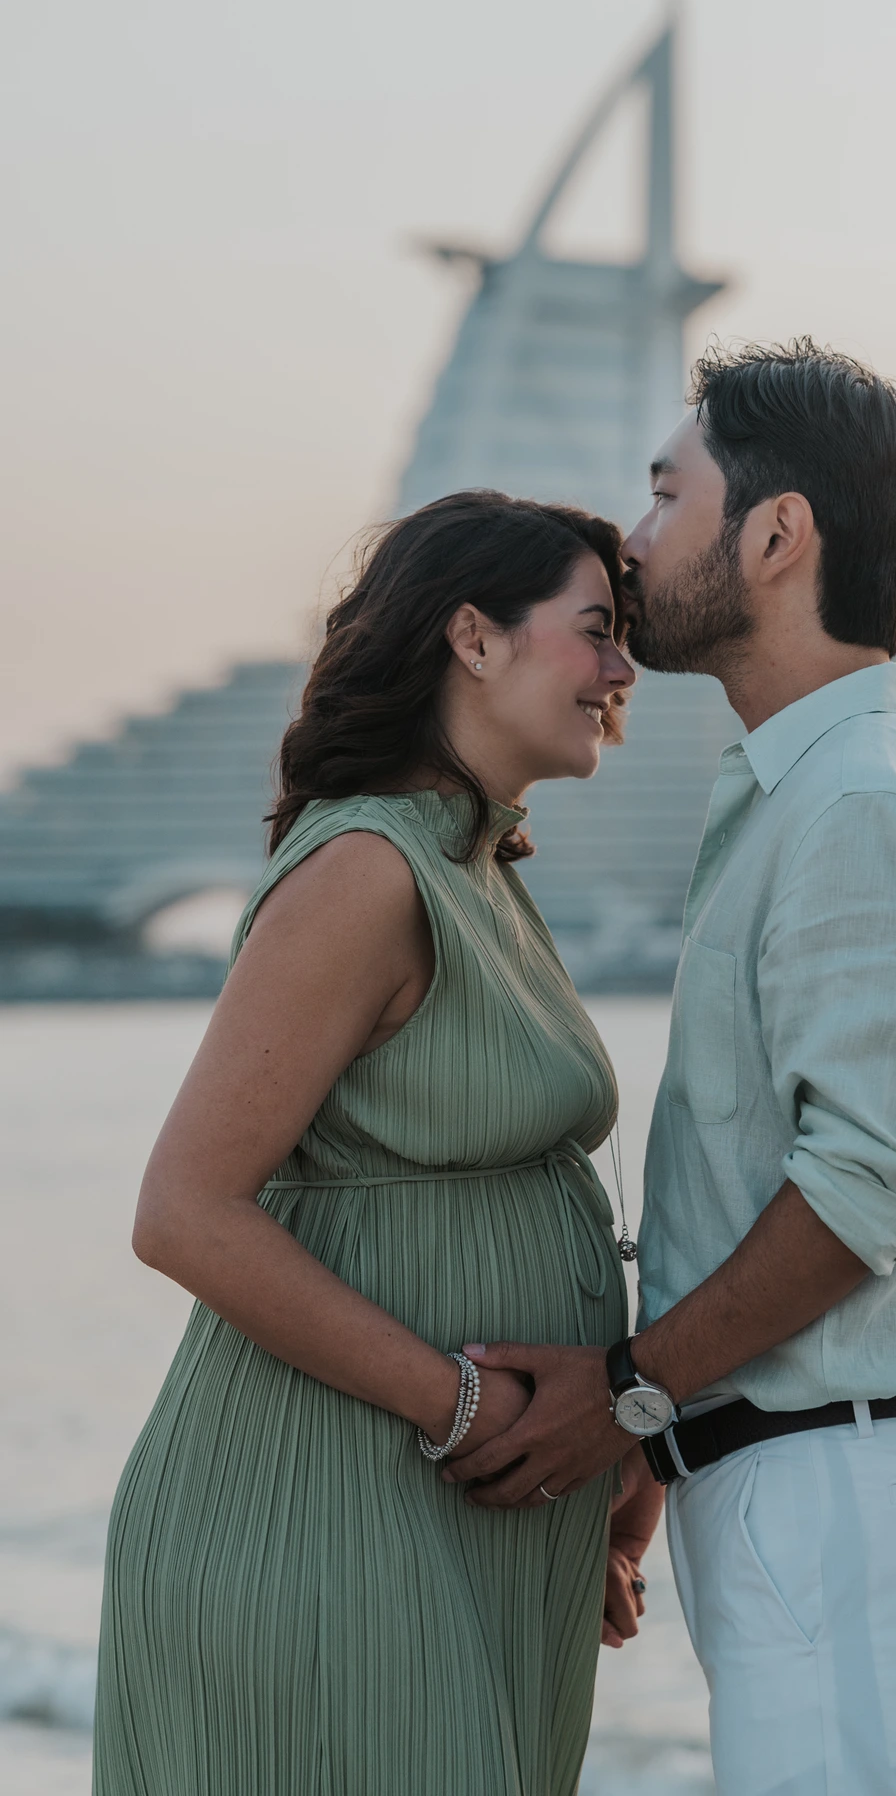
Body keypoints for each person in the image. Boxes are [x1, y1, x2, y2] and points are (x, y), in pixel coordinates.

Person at [443, 341, 896, 1796]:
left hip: (847, 1486)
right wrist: (665, 1442)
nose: (632, 542)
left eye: (667, 496)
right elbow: (786, 1172)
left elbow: (863, 1191)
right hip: (814, 1471)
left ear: (777, 537)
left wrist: (631, 1393)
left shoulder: (856, 802)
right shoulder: (819, 786)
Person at [92, 490, 648, 1796]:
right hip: (328, 1508)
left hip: (460, 1514)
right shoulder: (366, 872)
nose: (627, 671)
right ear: (473, 637)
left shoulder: (478, 868)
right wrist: (459, 1409)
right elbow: (183, 1211)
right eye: (597, 630)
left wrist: (609, 1451)